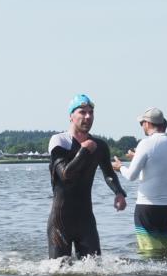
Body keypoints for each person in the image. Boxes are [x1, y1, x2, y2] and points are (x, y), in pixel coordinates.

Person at [47, 95, 127, 258]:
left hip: (86, 220)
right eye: (82, 112)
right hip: (61, 221)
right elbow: (65, 174)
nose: (88, 116)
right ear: (71, 116)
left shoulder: (100, 146)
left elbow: (109, 173)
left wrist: (118, 192)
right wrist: (84, 150)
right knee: (59, 270)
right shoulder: (59, 141)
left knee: (94, 268)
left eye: (91, 113)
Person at [112, 107, 167, 254]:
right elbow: (159, 170)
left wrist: (120, 167)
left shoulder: (145, 143)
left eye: (142, 123)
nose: (142, 126)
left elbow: (131, 176)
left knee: (149, 254)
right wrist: (137, 156)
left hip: (147, 209)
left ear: (148, 123)